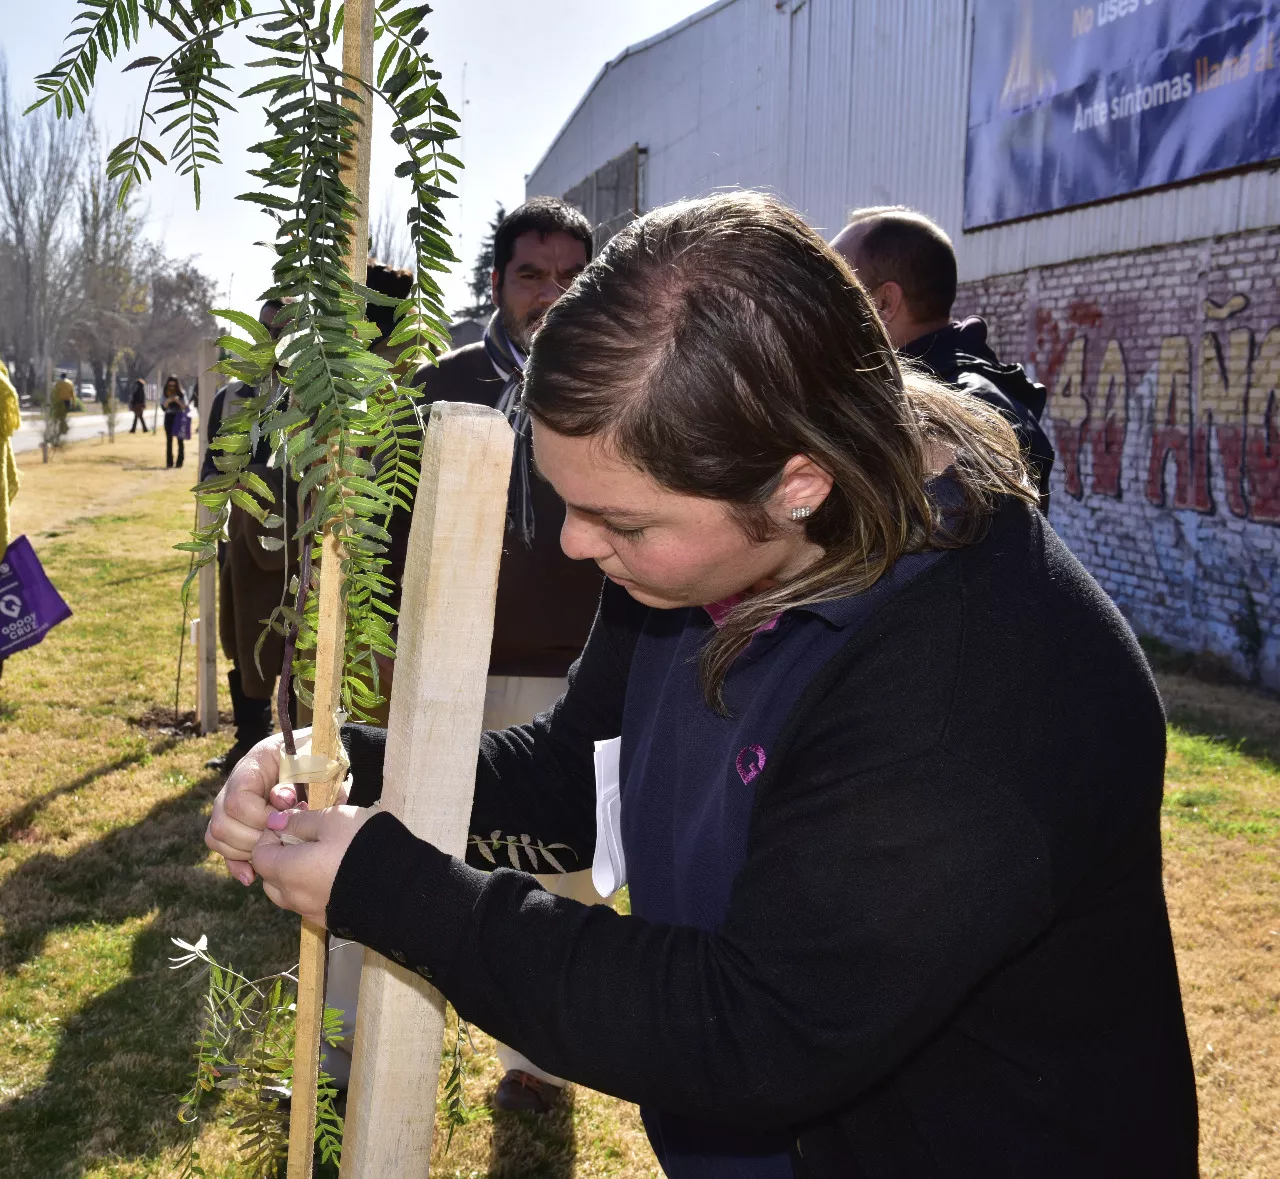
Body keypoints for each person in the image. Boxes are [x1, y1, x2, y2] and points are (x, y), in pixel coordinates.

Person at [206, 193, 1198, 1177]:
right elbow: (570, 782)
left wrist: (395, 890)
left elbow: (748, 1029)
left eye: (620, 522)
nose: (574, 545)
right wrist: (347, 768)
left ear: (797, 482)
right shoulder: (703, 559)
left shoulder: (973, 693)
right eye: (568, 502)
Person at [346, 199, 605, 1113]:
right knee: (395, 840)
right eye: (533, 275)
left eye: (573, 277)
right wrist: (377, 657)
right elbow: (377, 531)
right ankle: (353, 1051)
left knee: (556, 868)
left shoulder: (616, 390)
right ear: (497, 283)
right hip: (444, 672)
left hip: (572, 677)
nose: (552, 295)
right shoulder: (437, 386)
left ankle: (535, 1061)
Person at [830, 206, 1055, 508]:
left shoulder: (973, 412)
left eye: (838, 291)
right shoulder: (886, 392)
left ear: (884, 302)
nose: (823, 308)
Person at [202, 301, 296, 775]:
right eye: (267, 326)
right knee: (242, 642)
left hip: (301, 549)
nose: (275, 336)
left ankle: (301, 753)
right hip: (240, 545)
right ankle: (247, 744)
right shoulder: (232, 398)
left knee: (298, 651)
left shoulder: (322, 395)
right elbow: (210, 472)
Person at [161, 375, 187, 469]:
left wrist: (177, 400)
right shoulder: (164, 393)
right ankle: (169, 463)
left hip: (179, 416)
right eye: (170, 385)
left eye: (174, 385)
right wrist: (168, 400)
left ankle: (179, 462)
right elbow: (163, 407)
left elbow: (184, 406)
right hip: (169, 417)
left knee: (180, 441)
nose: (171, 387)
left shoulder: (182, 393)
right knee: (169, 440)